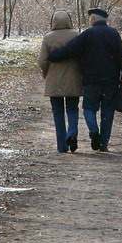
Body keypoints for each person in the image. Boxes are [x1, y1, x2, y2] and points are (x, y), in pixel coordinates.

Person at [48, 7, 122, 152]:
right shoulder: (114, 34)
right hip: (111, 80)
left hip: (91, 80)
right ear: (105, 20)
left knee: (89, 109)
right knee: (107, 112)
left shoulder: (87, 34)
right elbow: (121, 55)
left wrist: (54, 56)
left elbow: (70, 49)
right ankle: (103, 144)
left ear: (92, 19)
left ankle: (93, 131)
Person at [38, 10, 82, 153]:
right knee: (72, 109)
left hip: (54, 81)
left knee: (58, 113)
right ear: (69, 20)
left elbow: (42, 60)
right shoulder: (76, 35)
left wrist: (46, 72)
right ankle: (72, 133)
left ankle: (61, 147)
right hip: (73, 79)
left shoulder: (48, 38)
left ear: (53, 21)